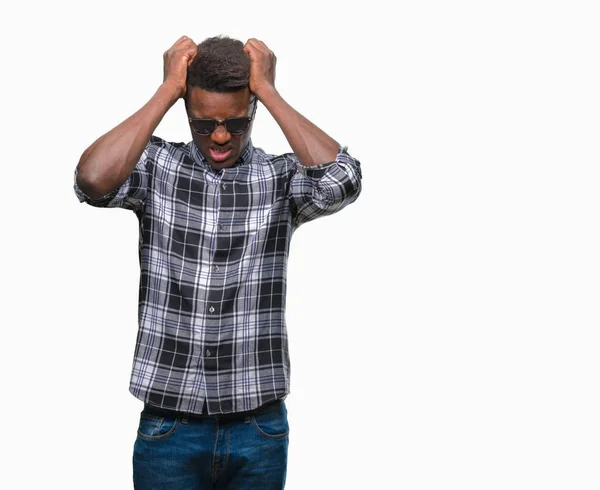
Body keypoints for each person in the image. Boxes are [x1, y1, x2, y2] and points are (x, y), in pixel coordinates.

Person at [73, 35, 362, 489]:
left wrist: (267, 90)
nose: (222, 136)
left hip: (258, 428)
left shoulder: (279, 178)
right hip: (169, 428)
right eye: (204, 125)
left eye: (236, 123)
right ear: (187, 114)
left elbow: (343, 180)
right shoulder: (155, 168)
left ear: (252, 113)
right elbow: (91, 181)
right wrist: (168, 89)